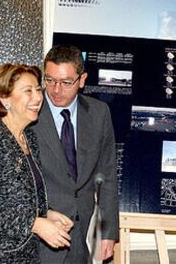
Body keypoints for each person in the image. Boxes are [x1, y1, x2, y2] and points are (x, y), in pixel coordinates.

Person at [0, 63, 74, 263]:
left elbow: (21, 200)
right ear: (5, 98)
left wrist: (46, 214)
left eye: (38, 90)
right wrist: (35, 224)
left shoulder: (28, 137)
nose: (38, 97)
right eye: (28, 91)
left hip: (26, 253)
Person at [32, 45, 119, 263]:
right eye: (50, 80)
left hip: (81, 233)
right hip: (39, 234)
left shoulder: (99, 113)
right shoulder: (29, 112)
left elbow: (107, 176)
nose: (56, 90)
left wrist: (108, 232)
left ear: (82, 80)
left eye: (66, 82)